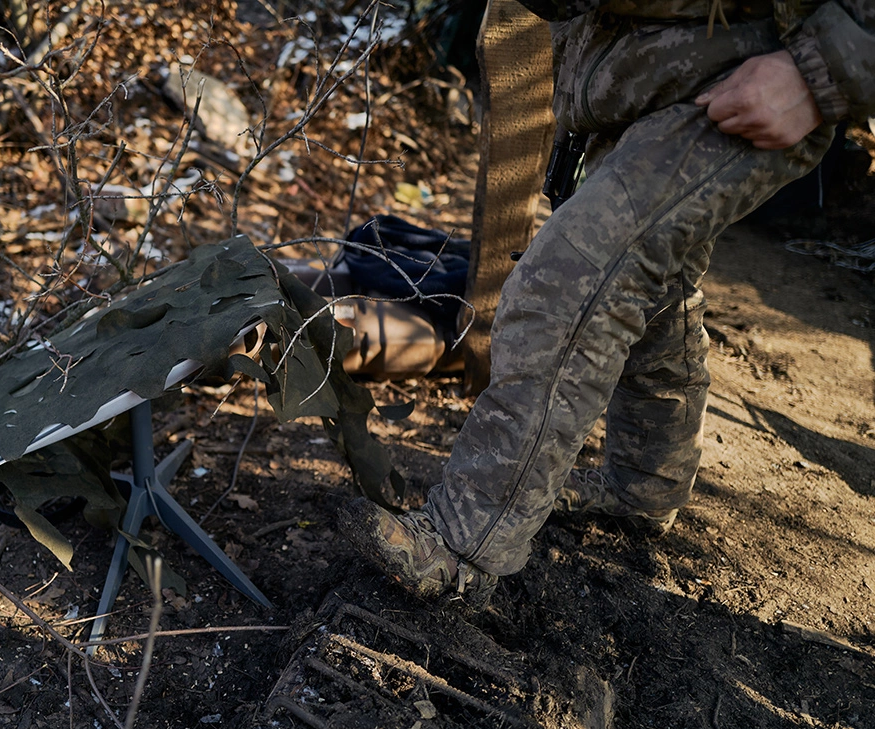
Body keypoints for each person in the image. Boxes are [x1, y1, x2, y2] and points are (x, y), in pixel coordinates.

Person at [339, 0, 875, 608]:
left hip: (750, 69)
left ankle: (464, 548)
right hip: (638, 79)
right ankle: (644, 490)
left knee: (570, 277)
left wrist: (821, 68)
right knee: (657, 282)